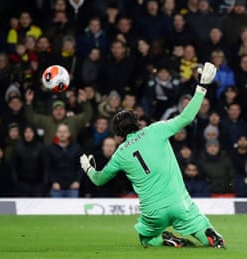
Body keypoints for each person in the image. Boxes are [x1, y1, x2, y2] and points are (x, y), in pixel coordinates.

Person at [80, 62, 225, 248]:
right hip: (179, 203)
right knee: (199, 225)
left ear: (118, 134)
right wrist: (201, 88)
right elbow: (187, 117)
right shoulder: (155, 130)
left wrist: (89, 168)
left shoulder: (120, 154)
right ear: (138, 122)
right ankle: (209, 236)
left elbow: (99, 180)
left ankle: (166, 240)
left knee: (146, 238)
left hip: (153, 212)